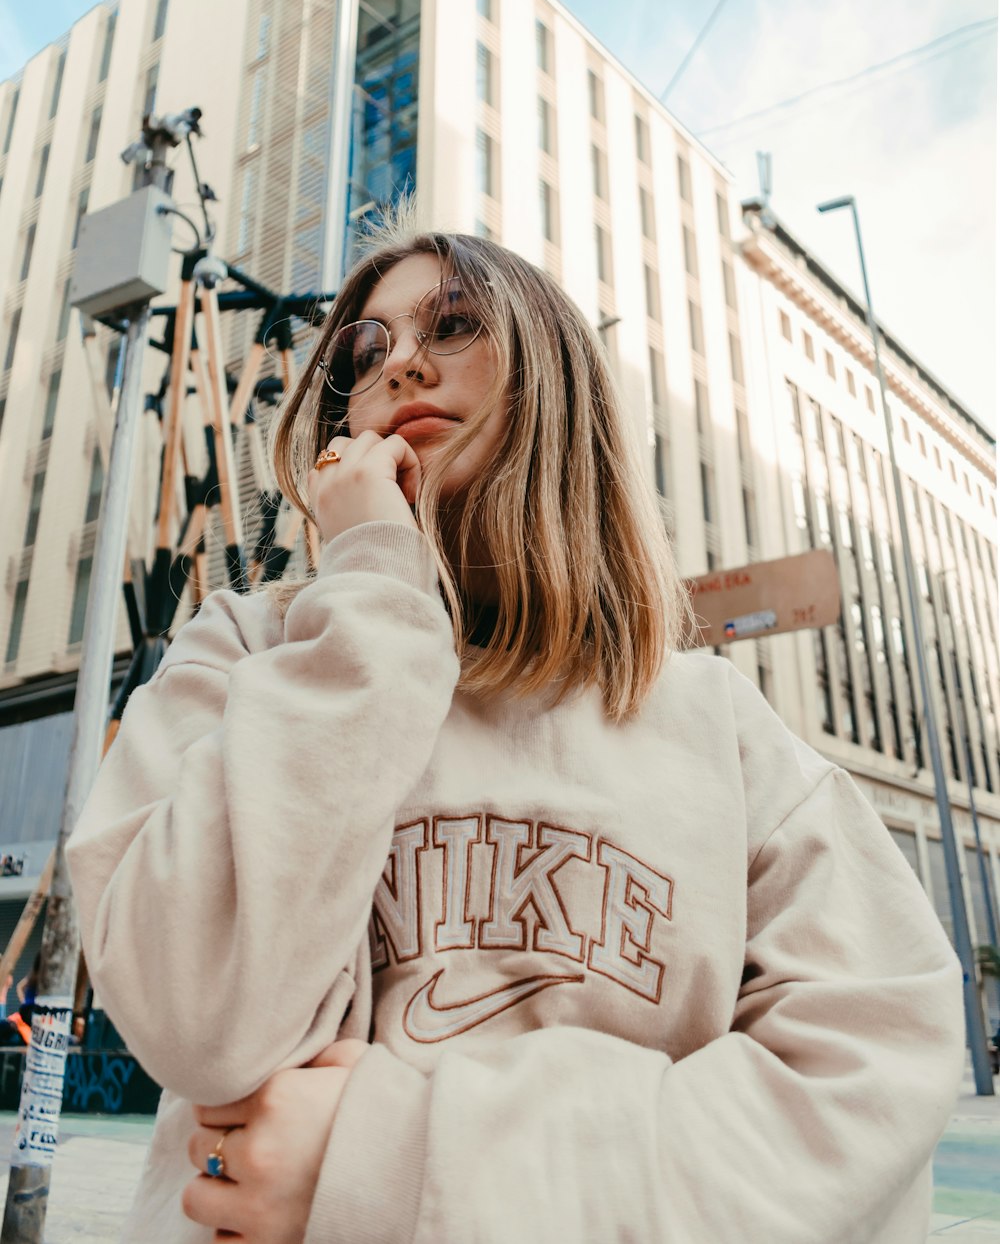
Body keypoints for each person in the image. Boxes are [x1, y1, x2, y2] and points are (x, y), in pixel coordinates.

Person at [67, 217, 964, 1244]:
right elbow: (196, 1017)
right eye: (365, 350)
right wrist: (368, 591)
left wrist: (391, 1164)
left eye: (451, 323)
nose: (400, 360)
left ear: (554, 379)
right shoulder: (241, 656)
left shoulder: (719, 727)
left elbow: (863, 1095)